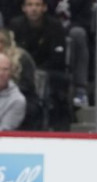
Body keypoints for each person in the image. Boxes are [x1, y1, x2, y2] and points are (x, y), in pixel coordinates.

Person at [8, 0, 69, 130]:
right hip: (21, 74)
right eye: (30, 5)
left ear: (44, 7)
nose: (33, 9)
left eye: (37, 5)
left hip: (49, 72)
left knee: (59, 83)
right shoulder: (15, 25)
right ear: (24, 8)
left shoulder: (55, 26)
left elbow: (58, 59)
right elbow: (12, 54)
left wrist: (36, 72)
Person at [0, 52, 26, 131]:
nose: (1, 73)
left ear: (11, 73)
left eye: (5, 69)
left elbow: (4, 133)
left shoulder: (17, 100)